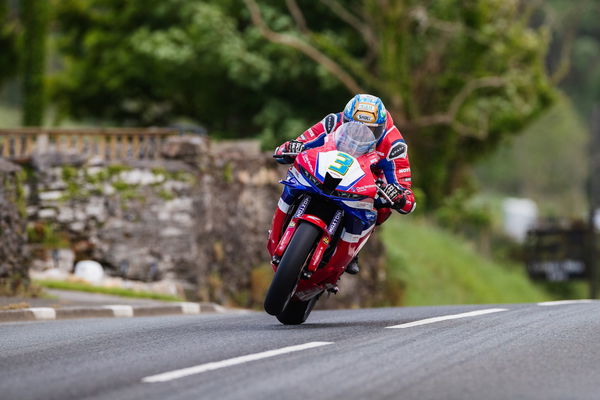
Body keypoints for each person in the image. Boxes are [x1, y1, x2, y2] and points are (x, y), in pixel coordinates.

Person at [269, 94, 416, 275]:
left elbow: (406, 193)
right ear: (345, 119)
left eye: (370, 130)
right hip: (328, 168)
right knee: (294, 175)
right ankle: (280, 226)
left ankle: (353, 251)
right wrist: (291, 148)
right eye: (353, 127)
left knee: (384, 208)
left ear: (381, 129)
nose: (359, 135)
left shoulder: (394, 144)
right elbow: (300, 142)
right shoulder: (333, 121)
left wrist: (398, 195)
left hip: (367, 180)